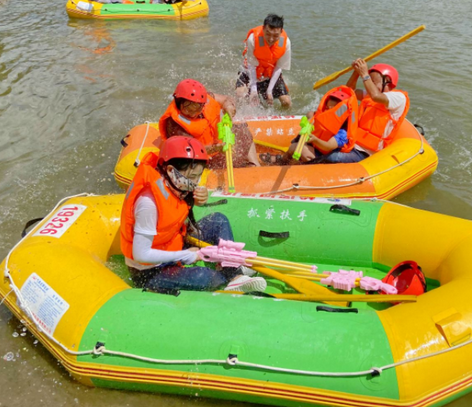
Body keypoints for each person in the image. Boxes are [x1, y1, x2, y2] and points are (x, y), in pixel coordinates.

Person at [120, 136, 267, 293]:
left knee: (218, 220)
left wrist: (199, 196)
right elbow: (141, 253)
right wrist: (185, 255)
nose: (195, 182)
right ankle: (228, 276)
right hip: (150, 271)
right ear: (170, 170)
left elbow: (176, 207)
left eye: (198, 176)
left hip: (173, 243)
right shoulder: (148, 203)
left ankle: (232, 272)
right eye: (191, 177)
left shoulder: (174, 182)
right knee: (204, 277)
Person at [159, 79, 261, 168]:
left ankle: (254, 164)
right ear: (178, 102)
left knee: (241, 130)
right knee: (233, 155)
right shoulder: (175, 125)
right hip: (200, 156)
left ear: (202, 105)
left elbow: (226, 99)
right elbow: (190, 150)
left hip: (215, 141)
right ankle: (245, 167)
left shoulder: (205, 98)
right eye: (188, 109)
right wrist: (216, 148)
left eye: (197, 108)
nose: (193, 113)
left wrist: (229, 107)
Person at [280, 86, 366, 164]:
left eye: (332, 110)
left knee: (299, 149)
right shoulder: (323, 118)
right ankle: (282, 161)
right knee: (294, 146)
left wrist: (315, 140)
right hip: (316, 149)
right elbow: (310, 114)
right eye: (327, 108)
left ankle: (290, 166)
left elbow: (328, 146)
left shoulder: (343, 133)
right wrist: (311, 119)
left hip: (324, 157)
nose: (328, 112)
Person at [346, 59, 409, 155]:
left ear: (387, 81)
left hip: (365, 152)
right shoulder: (371, 94)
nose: (369, 84)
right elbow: (348, 93)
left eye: (373, 82)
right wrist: (356, 72)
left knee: (334, 157)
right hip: (352, 142)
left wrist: (364, 75)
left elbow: (375, 96)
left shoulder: (398, 98)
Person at [235, 14, 292, 109]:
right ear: (263, 29)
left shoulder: (286, 43)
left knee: (286, 102)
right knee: (240, 94)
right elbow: (251, 65)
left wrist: (269, 91)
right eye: (268, 34)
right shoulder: (253, 39)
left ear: (281, 32)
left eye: (275, 35)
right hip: (250, 70)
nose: (271, 39)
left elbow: (278, 67)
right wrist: (253, 91)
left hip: (270, 73)